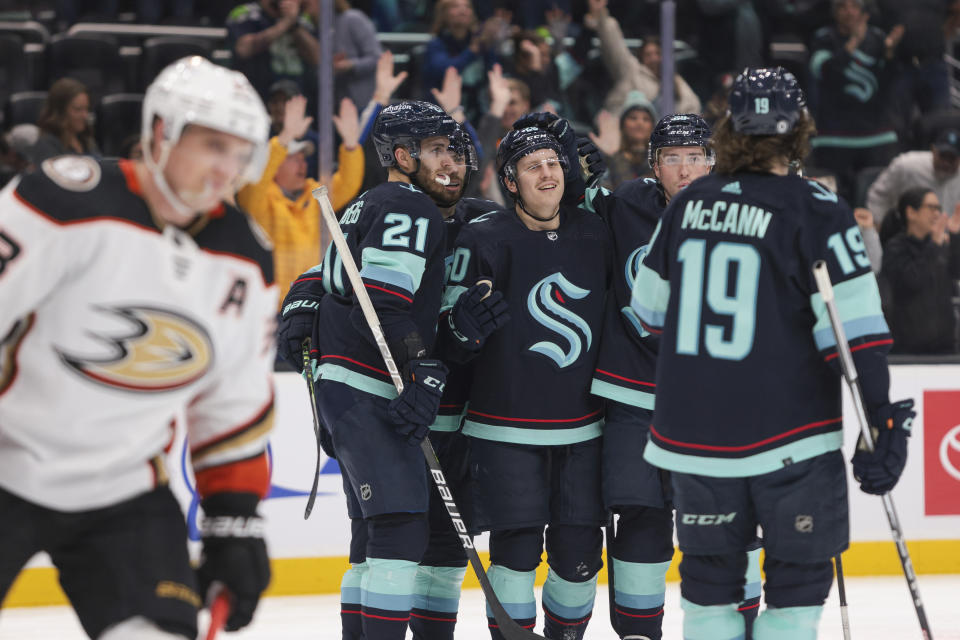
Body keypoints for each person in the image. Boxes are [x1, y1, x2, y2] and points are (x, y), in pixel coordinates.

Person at [631, 67, 913, 640]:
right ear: (799, 127)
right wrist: (881, 421)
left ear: (730, 127)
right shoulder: (817, 207)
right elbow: (855, 337)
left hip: (694, 440)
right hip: (793, 440)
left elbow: (649, 313)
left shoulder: (687, 207)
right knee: (795, 589)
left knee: (709, 592)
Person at [0, 56, 275, 639]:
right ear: (160, 132)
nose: (226, 168)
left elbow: (231, 404)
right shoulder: (61, 202)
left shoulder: (246, 259)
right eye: (211, 145)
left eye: (239, 151)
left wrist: (234, 521)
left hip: (123, 491)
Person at [278, 100, 471, 640]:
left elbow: (332, 276)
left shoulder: (367, 203)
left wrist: (298, 301)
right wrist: (422, 370)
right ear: (403, 156)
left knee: (373, 533)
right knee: (400, 530)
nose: (450, 161)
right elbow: (384, 299)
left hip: (345, 387)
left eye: (452, 149)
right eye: (436, 150)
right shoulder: (411, 206)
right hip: (368, 386)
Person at [445, 119, 611, 640]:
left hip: (584, 429)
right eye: (532, 166)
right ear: (510, 181)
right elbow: (447, 341)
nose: (547, 174)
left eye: (553, 163)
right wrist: (460, 331)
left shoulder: (596, 233)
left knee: (582, 554)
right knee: (516, 549)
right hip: (503, 427)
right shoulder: (482, 238)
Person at [237, 93, 364, 306]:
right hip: (273, 306)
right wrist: (285, 138)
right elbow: (257, 179)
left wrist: (351, 146)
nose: (302, 164)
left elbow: (348, 183)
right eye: (294, 158)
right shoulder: (260, 198)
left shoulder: (315, 194)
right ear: (275, 164)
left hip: (312, 303)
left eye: (303, 158)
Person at [808, 0, 903, 202]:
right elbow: (826, 73)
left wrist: (889, 53)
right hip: (833, 138)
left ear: (863, 11)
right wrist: (853, 43)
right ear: (835, 12)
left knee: (878, 201)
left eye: (854, 6)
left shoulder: (878, 38)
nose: (849, 12)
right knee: (829, 201)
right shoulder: (824, 38)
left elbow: (890, 82)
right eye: (842, 6)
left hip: (876, 137)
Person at [585, 0, 701, 118]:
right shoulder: (631, 71)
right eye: (648, 55)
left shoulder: (678, 83)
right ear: (641, 58)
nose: (654, 58)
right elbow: (614, 45)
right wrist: (601, 14)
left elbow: (692, 108)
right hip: (622, 133)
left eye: (658, 53)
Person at [880, 187, 960, 354]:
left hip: (945, 346)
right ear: (911, 213)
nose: (936, 214)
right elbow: (913, 281)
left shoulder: (939, 245)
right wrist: (935, 245)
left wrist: (955, 237)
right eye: (931, 207)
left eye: (938, 208)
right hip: (909, 349)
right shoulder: (895, 248)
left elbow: (956, 271)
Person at [865, 128, 960, 234]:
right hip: (905, 237)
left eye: (952, 158)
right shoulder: (907, 166)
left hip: (949, 240)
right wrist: (880, 229)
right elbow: (878, 197)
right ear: (933, 150)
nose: (946, 163)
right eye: (943, 156)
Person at [226, 0, 319, 103]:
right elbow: (243, 49)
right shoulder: (245, 13)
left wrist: (294, 24)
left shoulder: (302, 19)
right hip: (253, 96)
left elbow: (318, 58)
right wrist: (285, 23)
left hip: (296, 96)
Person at [32, 77, 99, 163]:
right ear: (60, 112)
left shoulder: (86, 138)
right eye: (78, 109)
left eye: (86, 109)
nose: (85, 115)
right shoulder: (46, 144)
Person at [333, 0, 383, 110]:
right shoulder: (321, 25)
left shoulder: (353, 18)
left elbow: (376, 57)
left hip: (363, 101)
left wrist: (350, 64)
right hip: (337, 103)